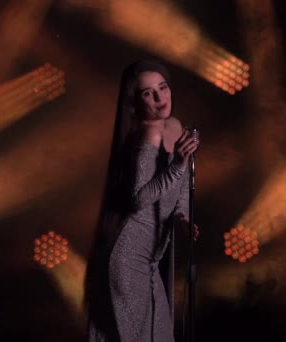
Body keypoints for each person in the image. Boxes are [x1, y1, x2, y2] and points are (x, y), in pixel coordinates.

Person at [84, 59, 199, 342]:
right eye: (148, 93)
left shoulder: (174, 126)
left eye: (163, 87)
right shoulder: (149, 134)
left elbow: (179, 187)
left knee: (159, 335)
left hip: (149, 260)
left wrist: (182, 218)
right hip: (128, 257)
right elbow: (139, 199)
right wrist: (179, 164)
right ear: (135, 104)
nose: (160, 98)